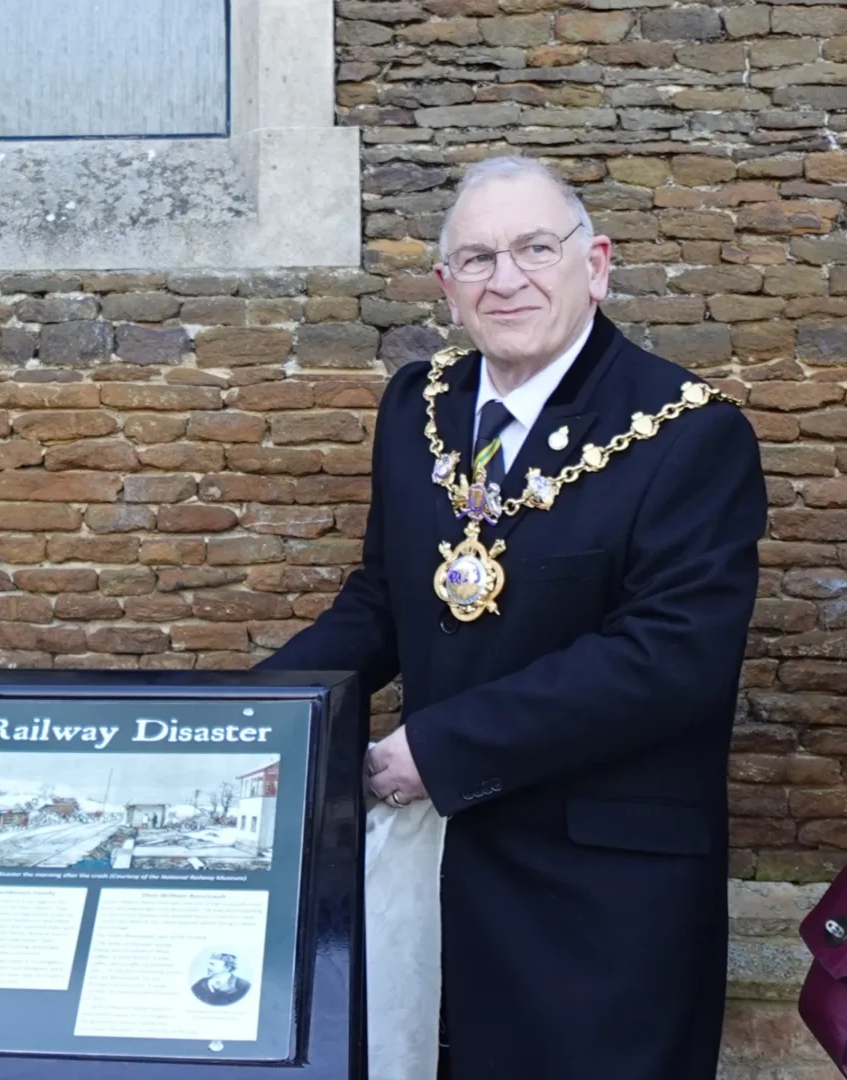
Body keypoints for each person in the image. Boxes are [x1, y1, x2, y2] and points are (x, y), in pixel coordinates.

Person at [259, 154, 765, 1079]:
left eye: (536, 248)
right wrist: (259, 714)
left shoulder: (692, 432)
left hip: (603, 896)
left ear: (596, 264)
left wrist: (439, 752)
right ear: (448, 289)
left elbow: (669, 660)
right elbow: (385, 597)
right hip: (445, 872)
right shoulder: (420, 407)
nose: (509, 278)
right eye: (478, 259)